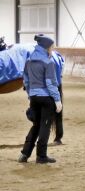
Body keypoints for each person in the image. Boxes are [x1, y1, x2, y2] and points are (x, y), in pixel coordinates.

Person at [18, 34, 61, 164]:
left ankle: (24, 154)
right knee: (45, 127)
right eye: (51, 47)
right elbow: (50, 83)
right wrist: (57, 100)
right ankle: (41, 156)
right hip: (46, 98)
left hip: (34, 98)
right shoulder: (49, 62)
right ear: (46, 47)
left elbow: (26, 80)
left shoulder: (29, 61)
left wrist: (31, 94)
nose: (52, 49)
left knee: (35, 125)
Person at [50, 50, 65, 145]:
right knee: (58, 111)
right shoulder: (57, 56)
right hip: (57, 84)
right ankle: (58, 136)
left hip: (45, 88)